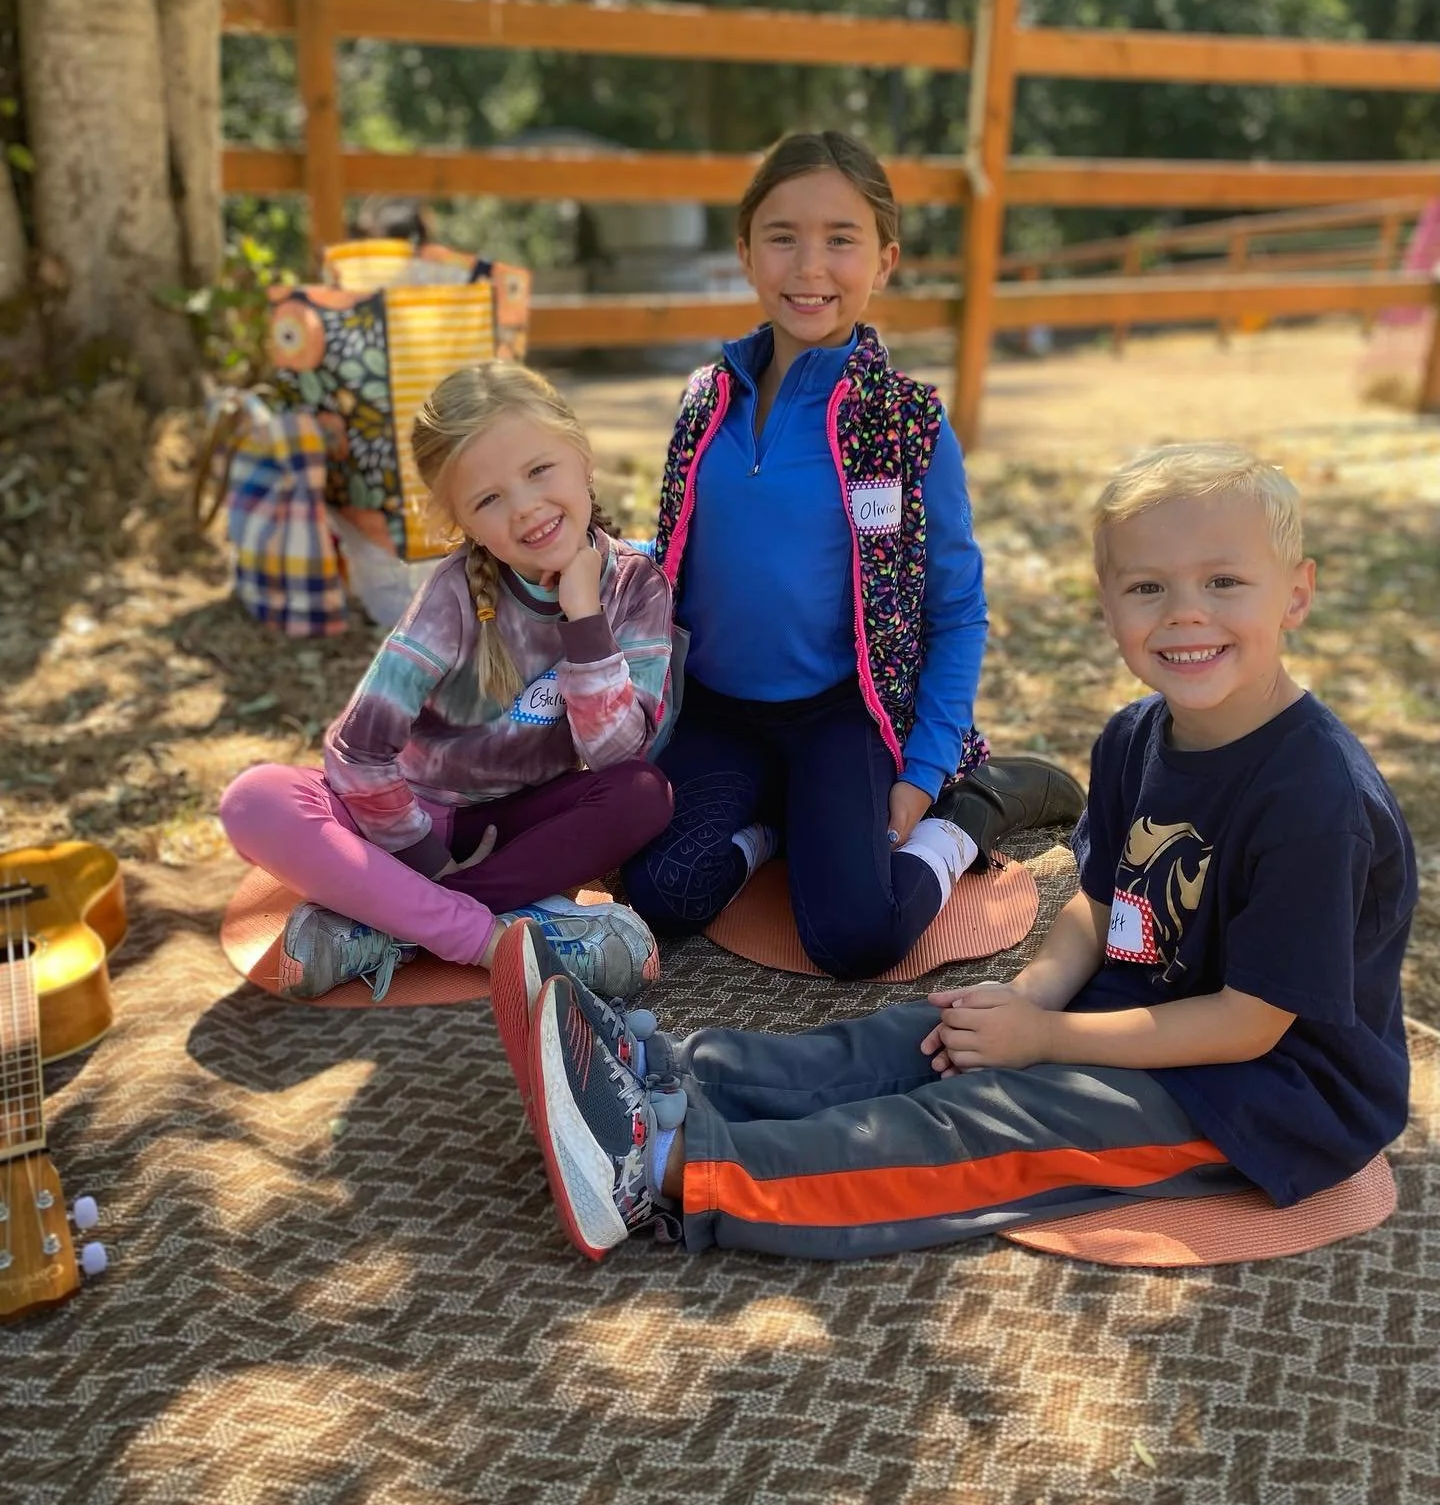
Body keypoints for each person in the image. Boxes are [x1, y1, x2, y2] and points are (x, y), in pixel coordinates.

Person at [493, 441, 1417, 1261]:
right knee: (926, 1034)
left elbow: (1251, 1024)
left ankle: (663, 1168)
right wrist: (1024, 1002)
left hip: (1263, 1094)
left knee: (973, 1124)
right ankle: (668, 1075)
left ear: (1296, 593)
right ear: (1108, 607)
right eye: (1148, 587)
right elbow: (1097, 905)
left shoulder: (1315, 798)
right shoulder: (1137, 737)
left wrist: (1050, 1041)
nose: (1184, 615)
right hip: (1137, 1008)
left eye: (1224, 582)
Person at [621, 129, 1083, 981]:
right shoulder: (703, 402)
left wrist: (925, 771)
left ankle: (975, 809)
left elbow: (957, 608)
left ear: (885, 260)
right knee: (658, 893)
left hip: (843, 713)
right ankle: (781, 825)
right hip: (722, 710)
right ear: (746, 253)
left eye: (841, 239)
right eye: (782, 236)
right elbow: (678, 548)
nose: (809, 266)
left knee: (856, 937)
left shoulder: (908, 424)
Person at [220, 361, 675, 1003]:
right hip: (412, 824)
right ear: (461, 518)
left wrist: (584, 622)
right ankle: (485, 937)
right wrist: (423, 859)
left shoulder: (634, 586)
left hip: (521, 827)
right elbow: (357, 752)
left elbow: (615, 756)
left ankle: (386, 926)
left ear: (581, 453)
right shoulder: (451, 597)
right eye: (488, 499)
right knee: (254, 800)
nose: (526, 509)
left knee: (642, 794)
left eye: (539, 470)